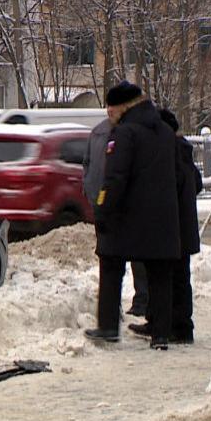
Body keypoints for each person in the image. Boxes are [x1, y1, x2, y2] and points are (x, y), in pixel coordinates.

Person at [84, 81, 179, 350]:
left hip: (128, 218)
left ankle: (108, 327)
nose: (108, 111)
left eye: (110, 106)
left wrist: (102, 209)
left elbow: (115, 178)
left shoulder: (124, 134)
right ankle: (161, 334)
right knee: (160, 273)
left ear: (124, 106)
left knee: (111, 263)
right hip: (162, 217)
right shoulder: (163, 131)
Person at [128, 109, 202, 344]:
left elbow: (173, 185)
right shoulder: (183, 150)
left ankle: (178, 327)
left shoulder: (173, 152)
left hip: (174, 225)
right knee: (176, 277)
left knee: (170, 278)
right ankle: (168, 324)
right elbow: (197, 184)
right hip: (183, 225)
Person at [83, 117, 149, 318]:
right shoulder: (98, 132)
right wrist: (89, 189)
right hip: (102, 203)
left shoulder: (128, 132)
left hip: (122, 203)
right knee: (109, 257)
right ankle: (115, 307)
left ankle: (141, 300)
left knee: (134, 255)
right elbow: (88, 164)